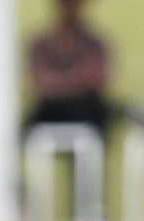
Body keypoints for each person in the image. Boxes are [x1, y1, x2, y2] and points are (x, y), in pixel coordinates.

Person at [25, 0, 112, 137]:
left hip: (87, 111)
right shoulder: (41, 43)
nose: (71, 9)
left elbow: (97, 79)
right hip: (50, 111)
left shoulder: (94, 44)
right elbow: (39, 82)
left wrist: (57, 81)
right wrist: (76, 78)